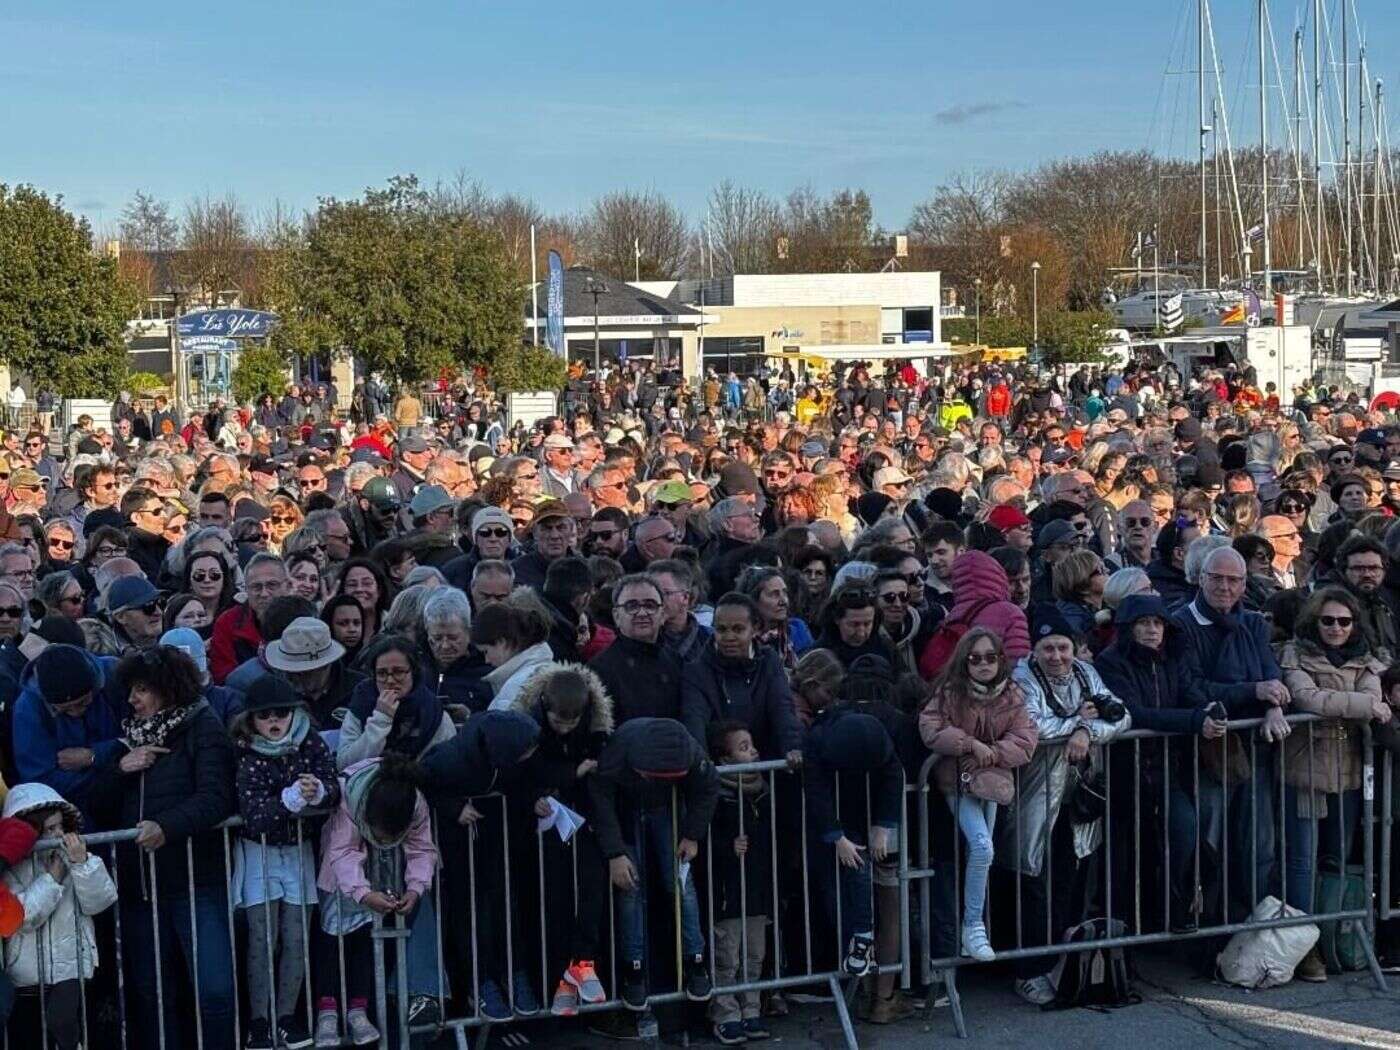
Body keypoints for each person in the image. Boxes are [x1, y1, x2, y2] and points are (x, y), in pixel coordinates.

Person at [998, 604, 1132, 1006]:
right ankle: (1027, 970)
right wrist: (1078, 724)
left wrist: (1087, 729)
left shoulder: (1085, 673)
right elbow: (1032, 726)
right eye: (1048, 649)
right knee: (1030, 885)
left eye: (1063, 648)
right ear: (1034, 651)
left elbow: (1121, 715)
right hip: (1032, 797)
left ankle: (1062, 964)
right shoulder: (1022, 679)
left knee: (1070, 881)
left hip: (1076, 796)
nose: (1056, 657)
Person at [106, 645, 237, 1050]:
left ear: (167, 688)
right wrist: (117, 769)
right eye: (131, 690)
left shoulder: (204, 727)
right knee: (151, 993)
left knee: (215, 989)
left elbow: (217, 796)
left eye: (142, 690)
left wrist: (167, 826)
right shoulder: (125, 738)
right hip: (140, 887)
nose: (133, 700)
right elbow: (101, 804)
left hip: (196, 879)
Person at [1278, 586, 1387, 982]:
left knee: (1337, 861)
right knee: (1302, 863)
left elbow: (1371, 697)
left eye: (1344, 621)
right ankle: (1302, 947)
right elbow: (1309, 699)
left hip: (1350, 773)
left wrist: (1365, 705)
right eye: (1328, 620)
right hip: (1305, 772)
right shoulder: (1294, 654)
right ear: (1314, 621)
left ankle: (1330, 941)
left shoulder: (1367, 660)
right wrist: (1363, 706)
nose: (1336, 628)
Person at [229, 676, 339, 1049]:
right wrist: (291, 800)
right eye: (264, 716)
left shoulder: (310, 742)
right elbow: (253, 814)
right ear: (251, 720)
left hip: (298, 852)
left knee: (296, 938)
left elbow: (333, 783)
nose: (274, 722)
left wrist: (319, 791)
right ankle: (259, 1021)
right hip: (257, 852)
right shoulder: (247, 753)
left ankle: (287, 1018)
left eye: (281, 714)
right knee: (262, 939)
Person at [919, 628, 1037, 963]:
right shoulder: (949, 693)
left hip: (992, 780)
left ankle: (972, 927)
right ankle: (972, 926)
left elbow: (1027, 738)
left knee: (984, 851)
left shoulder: (1012, 695)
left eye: (990, 657)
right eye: (975, 658)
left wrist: (994, 751)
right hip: (956, 779)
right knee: (982, 847)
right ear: (964, 661)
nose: (983, 665)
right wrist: (969, 744)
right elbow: (930, 728)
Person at [588, 717, 716, 1012]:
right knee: (630, 889)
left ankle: (696, 962)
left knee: (681, 884)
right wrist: (615, 853)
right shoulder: (618, 751)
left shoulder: (692, 752)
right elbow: (601, 798)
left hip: (666, 812)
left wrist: (692, 835)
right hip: (625, 813)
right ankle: (633, 969)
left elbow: (707, 787)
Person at [316, 752, 441, 1046]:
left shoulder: (416, 803)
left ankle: (361, 1010)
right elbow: (342, 851)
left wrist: (416, 888)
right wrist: (362, 892)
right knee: (333, 941)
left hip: (383, 879)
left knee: (366, 943)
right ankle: (327, 1013)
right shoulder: (349, 794)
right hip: (340, 880)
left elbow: (422, 848)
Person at [508, 665, 612, 1018]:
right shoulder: (525, 728)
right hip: (541, 834)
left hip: (582, 826)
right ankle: (553, 985)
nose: (564, 728)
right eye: (558, 721)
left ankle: (581, 968)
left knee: (590, 898)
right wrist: (557, 782)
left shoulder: (596, 731)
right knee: (550, 908)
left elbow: (600, 773)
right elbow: (520, 773)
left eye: (572, 722)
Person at [1, 782, 118, 1050]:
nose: (59, 834)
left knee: (64, 1023)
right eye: (49, 829)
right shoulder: (11, 869)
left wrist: (81, 865)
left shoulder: (78, 856)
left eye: (60, 826)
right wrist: (52, 879)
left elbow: (100, 901)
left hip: (71, 965)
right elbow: (23, 917)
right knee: (29, 1036)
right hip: (26, 970)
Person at [705, 720, 773, 1045]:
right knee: (726, 956)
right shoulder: (717, 795)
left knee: (754, 955)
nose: (754, 751)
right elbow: (700, 840)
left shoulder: (762, 790)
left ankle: (751, 1008)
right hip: (727, 891)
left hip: (757, 889)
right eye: (743, 748)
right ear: (725, 760)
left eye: (752, 745)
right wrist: (725, 847)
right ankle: (725, 1013)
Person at [681, 592, 802, 763]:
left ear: (755, 629)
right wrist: (704, 769)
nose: (729, 637)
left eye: (738, 629)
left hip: (768, 767)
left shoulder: (769, 662)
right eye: (721, 629)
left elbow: (783, 710)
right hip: (719, 771)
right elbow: (694, 722)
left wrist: (793, 749)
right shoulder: (696, 672)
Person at [338, 634, 456, 768]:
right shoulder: (362, 704)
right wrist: (380, 720)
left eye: (398, 672)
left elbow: (446, 767)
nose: (390, 681)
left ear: (413, 672)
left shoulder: (433, 713)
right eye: (382, 673)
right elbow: (344, 764)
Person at [589, 574, 686, 724]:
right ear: (616, 615)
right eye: (631, 606)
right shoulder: (599, 669)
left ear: (662, 614)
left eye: (650, 605)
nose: (642, 613)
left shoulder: (677, 663)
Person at [475, 595, 556, 711]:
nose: (486, 660)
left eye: (485, 652)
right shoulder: (540, 670)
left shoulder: (516, 687)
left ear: (501, 642)